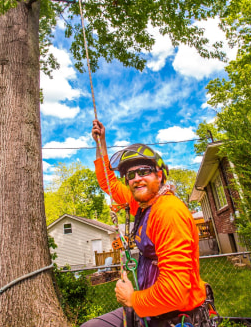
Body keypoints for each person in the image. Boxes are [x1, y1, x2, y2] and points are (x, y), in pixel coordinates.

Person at [81, 120, 212, 327]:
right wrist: (100, 143)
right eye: (131, 175)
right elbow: (108, 182)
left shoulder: (168, 212)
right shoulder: (141, 203)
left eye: (143, 171)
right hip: (151, 310)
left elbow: (175, 292)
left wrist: (133, 299)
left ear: (159, 176)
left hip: (176, 316)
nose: (137, 179)